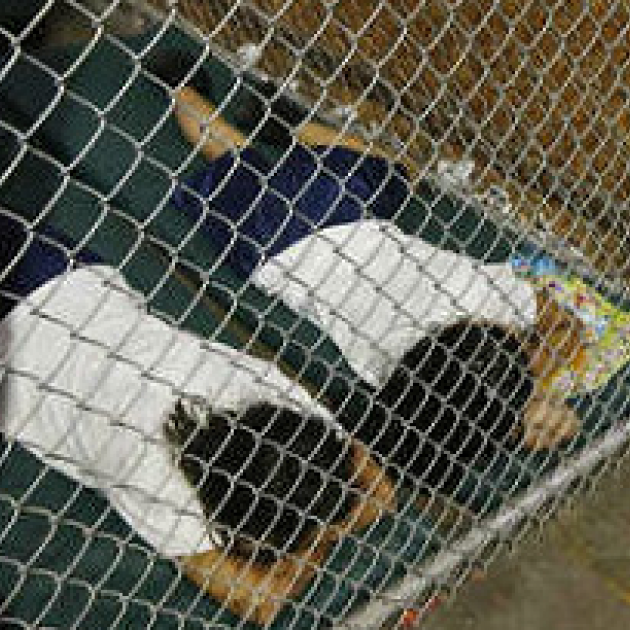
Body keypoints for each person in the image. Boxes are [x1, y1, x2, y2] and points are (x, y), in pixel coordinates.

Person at [165, 73, 583, 488]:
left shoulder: (480, 294)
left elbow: (565, 326)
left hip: (337, 204)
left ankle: (289, 125)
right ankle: (178, 85)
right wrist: (515, 411)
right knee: (226, 151)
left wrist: (528, 388)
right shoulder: (385, 372)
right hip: (272, 254)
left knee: (400, 171)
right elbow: (450, 420)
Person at [0, 217, 395, 623]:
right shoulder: (160, 478)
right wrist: (319, 538)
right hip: (27, 325)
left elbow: (378, 493)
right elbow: (260, 602)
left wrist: (317, 531)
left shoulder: (270, 397)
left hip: (67, 275)